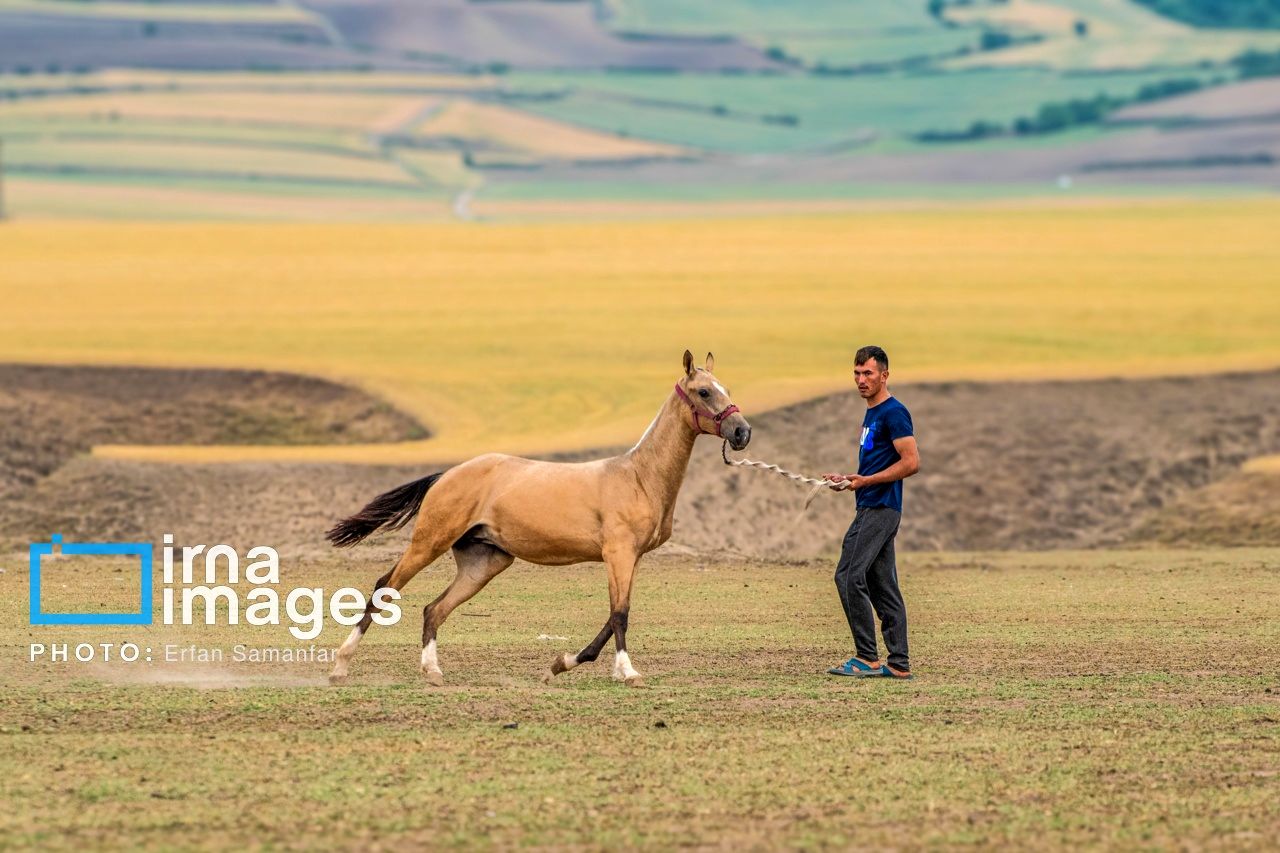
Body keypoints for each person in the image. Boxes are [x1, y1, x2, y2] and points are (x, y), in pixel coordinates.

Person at [824, 346, 920, 680]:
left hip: (879, 508)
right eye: (857, 373)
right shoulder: (873, 413)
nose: (862, 380)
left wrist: (867, 482)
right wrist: (852, 478)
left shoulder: (894, 412)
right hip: (874, 503)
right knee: (882, 585)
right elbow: (878, 463)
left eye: (868, 373)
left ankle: (866, 657)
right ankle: (899, 663)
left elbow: (911, 462)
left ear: (884, 375)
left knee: (848, 575)